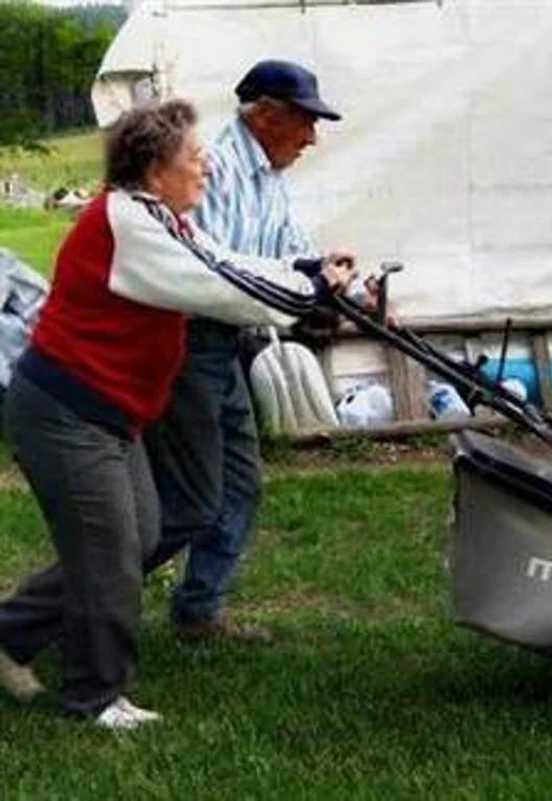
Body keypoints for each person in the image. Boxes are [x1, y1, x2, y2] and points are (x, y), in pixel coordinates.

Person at [0, 99, 354, 729]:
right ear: (155, 167)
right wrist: (313, 292)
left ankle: (8, 637)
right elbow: (221, 287)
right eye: (195, 157)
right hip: (65, 414)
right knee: (111, 555)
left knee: (137, 536)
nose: (207, 168)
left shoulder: (158, 216)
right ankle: (93, 699)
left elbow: (227, 261)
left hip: (107, 416)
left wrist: (303, 271)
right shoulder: (126, 224)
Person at [143, 60, 364, 642]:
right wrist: (299, 292)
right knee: (189, 501)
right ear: (265, 114)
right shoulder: (215, 172)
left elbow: (287, 249)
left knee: (239, 482)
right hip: (188, 344)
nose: (313, 138)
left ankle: (198, 610)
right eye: (305, 122)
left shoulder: (268, 176)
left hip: (228, 344)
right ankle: (69, 597)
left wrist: (328, 275)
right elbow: (217, 273)